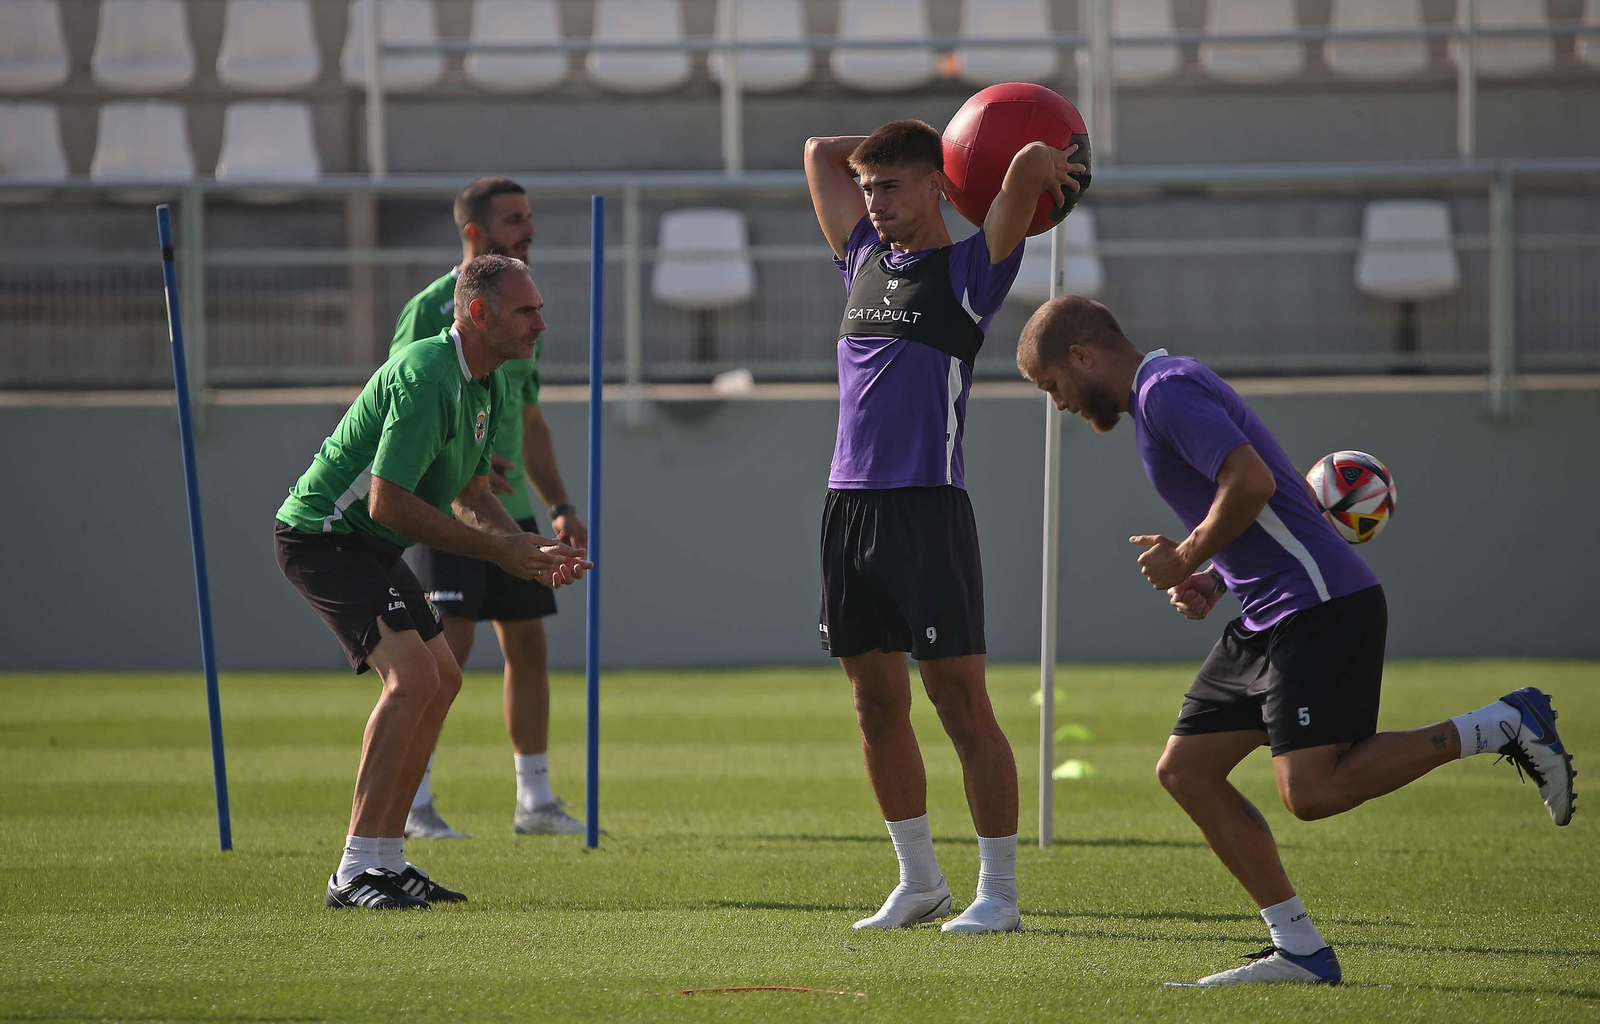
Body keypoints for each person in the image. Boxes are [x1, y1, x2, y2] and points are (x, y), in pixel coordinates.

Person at [1015, 295, 1576, 983]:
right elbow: (1271, 497)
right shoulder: (1162, 394)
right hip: (1266, 614)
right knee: (1185, 772)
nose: (1059, 402)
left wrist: (1188, 556)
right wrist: (1215, 578)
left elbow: (1249, 482)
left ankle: (1502, 725)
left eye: (1052, 386)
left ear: (1081, 357)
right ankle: (1300, 951)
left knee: (1310, 793)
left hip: (1319, 605)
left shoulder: (1165, 392)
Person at [804, 120, 1086, 934]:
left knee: (961, 704)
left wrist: (987, 154)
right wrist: (937, 141)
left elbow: (1031, 169)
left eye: (891, 185)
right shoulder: (859, 256)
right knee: (874, 705)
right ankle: (919, 880)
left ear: (937, 186)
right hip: (847, 506)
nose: (874, 202)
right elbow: (821, 149)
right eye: (869, 189)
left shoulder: (971, 269)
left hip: (928, 505)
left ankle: (997, 892)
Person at [274, 255, 591, 910]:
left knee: (443, 677)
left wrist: (526, 547)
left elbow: (471, 491)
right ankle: (354, 869)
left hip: (369, 543)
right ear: (479, 314)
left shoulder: (492, 385)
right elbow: (389, 503)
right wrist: (498, 550)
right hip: (324, 535)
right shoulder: (426, 373)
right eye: (526, 311)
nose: (541, 325)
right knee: (414, 677)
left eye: (539, 309)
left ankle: (387, 861)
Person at [392, 177, 591, 840]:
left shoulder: (521, 310)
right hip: (447, 507)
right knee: (446, 651)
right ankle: (413, 801)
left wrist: (558, 502)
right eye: (514, 220)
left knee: (528, 643)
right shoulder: (429, 310)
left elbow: (530, 420)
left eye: (530, 217)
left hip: (504, 504)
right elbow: (406, 403)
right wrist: (460, 464)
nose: (528, 230)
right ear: (475, 233)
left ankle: (534, 800)